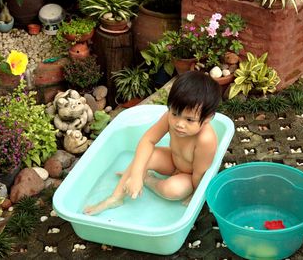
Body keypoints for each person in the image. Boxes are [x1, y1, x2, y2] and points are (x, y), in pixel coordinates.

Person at [84, 71, 221, 215]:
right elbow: (148, 140)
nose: (179, 124)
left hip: (189, 176)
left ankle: (149, 180)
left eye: (189, 120)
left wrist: (195, 195)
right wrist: (136, 174)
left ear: (207, 118)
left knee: (173, 190)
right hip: (173, 160)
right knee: (144, 156)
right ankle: (116, 197)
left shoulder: (205, 139)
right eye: (175, 113)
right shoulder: (170, 118)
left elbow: (200, 174)